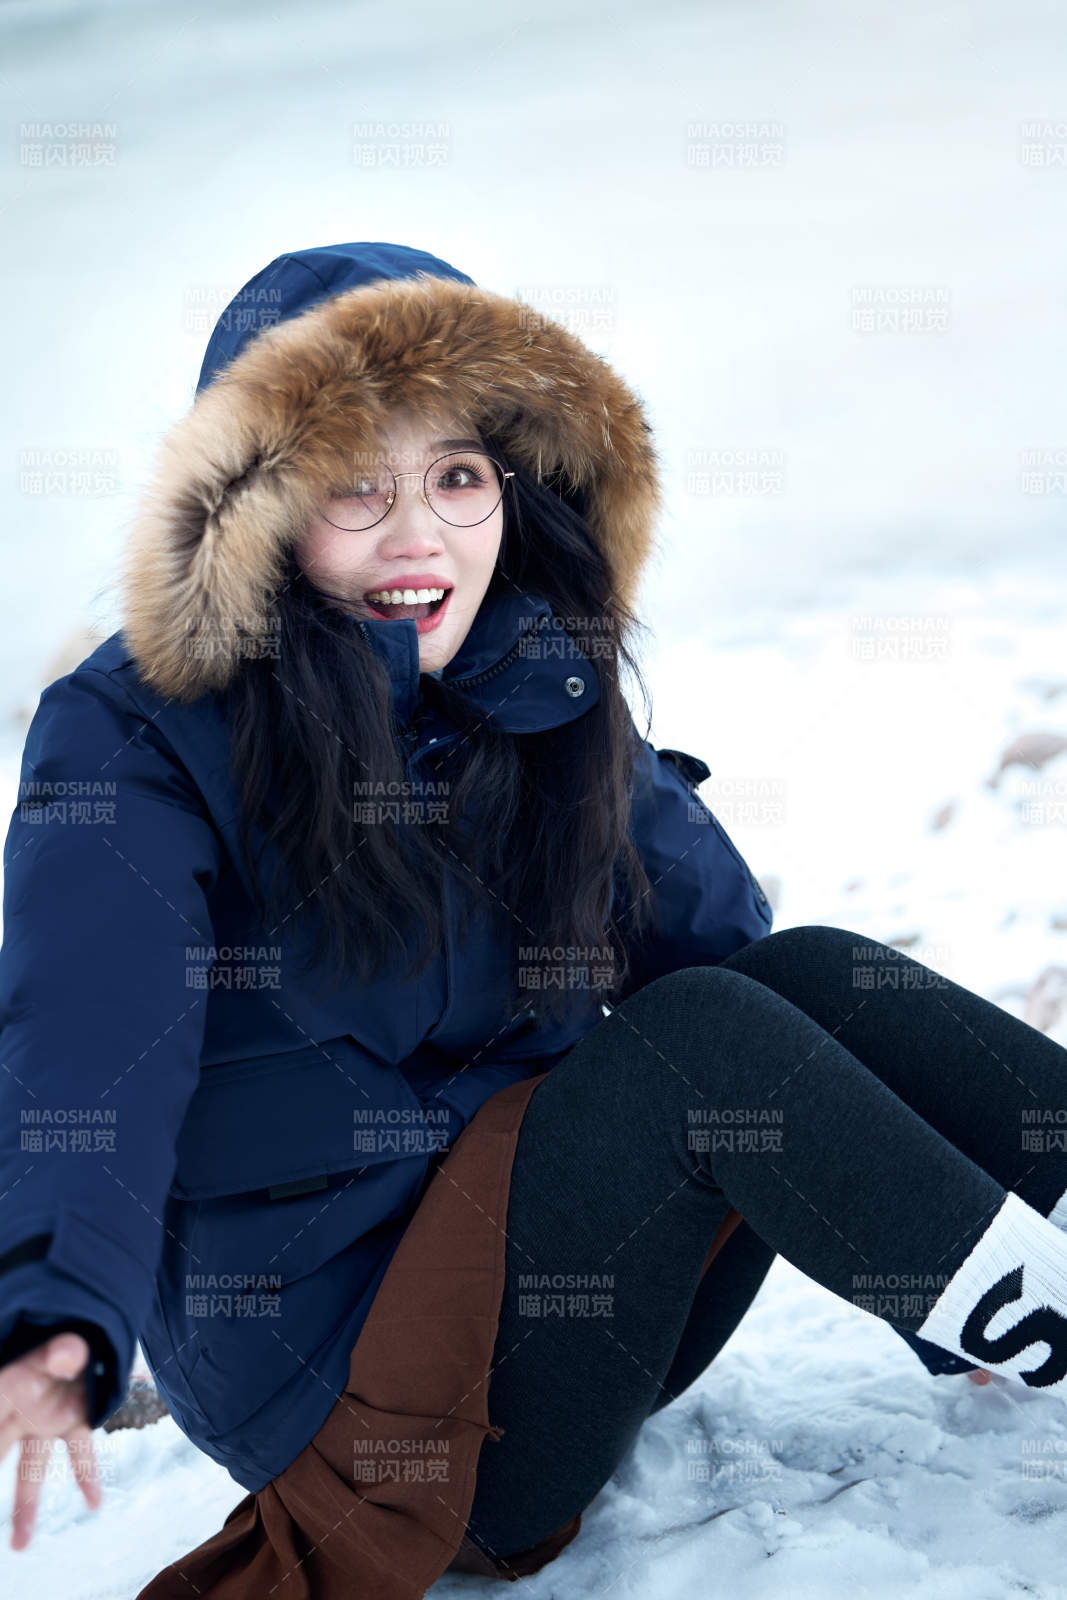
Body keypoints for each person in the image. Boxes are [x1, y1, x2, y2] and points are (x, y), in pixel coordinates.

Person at [0, 243, 1063, 1597]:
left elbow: (737, 956)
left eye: (457, 477)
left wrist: (568, 727)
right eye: (354, 484)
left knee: (798, 978)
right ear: (255, 503)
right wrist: (53, 1313)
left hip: (563, 1290)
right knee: (698, 1048)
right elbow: (88, 1041)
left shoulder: (518, 663)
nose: (418, 537)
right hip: (378, 1417)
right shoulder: (138, 735)